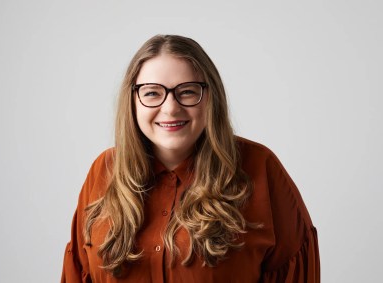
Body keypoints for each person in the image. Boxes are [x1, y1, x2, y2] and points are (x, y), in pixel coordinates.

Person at [61, 34, 320, 283]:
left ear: (211, 97)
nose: (171, 108)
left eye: (187, 91)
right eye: (152, 93)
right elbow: (78, 273)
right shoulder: (104, 171)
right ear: (132, 101)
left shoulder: (260, 168)